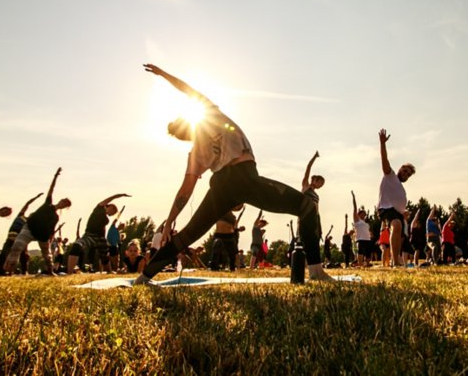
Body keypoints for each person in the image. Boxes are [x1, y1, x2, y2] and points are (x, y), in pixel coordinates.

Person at [134, 64, 332, 285]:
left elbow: (186, 189)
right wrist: (163, 74)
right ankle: (316, 272)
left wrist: (171, 221)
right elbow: (188, 90)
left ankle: (143, 278)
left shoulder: (197, 147)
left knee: (189, 234)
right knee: (306, 207)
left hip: (223, 186)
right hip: (244, 178)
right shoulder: (211, 116)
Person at [4, 168, 71, 275]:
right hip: (29, 228)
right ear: (60, 201)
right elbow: (51, 189)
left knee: (47, 255)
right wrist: (55, 176)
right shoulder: (48, 204)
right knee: (16, 247)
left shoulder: (55, 217)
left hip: (42, 235)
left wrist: (50, 239)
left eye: (65, 204)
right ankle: (10, 272)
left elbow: (51, 231)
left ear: (65, 207)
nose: (62, 203)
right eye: (63, 201)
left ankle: (50, 271)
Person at [377, 129, 416, 268]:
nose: (406, 174)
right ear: (399, 169)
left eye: (408, 174)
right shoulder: (391, 175)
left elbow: (397, 201)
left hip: (396, 212)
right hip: (385, 209)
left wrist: (402, 211)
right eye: (405, 171)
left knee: (399, 234)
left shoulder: (401, 188)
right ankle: (396, 261)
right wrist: (382, 144)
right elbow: (384, 160)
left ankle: (396, 259)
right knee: (396, 225)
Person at [67, 193, 130, 274]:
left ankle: (109, 271)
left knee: (105, 256)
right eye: (113, 212)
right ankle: (69, 272)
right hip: (89, 235)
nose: (113, 214)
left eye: (114, 214)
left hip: (101, 238)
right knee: (77, 245)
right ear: (109, 206)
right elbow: (108, 199)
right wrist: (119, 195)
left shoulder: (106, 217)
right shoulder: (99, 208)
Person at [0, 192, 43, 272]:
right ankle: (0, 270)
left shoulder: (30, 224)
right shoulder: (20, 216)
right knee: (4, 254)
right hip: (10, 239)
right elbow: (27, 204)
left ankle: (24, 271)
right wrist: (36, 197)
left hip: (20, 239)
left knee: (23, 256)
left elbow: (28, 235)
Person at [301, 151, 325, 239]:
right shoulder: (306, 185)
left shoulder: (316, 196)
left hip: (313, 220)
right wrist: (315, 157)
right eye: (321, 183)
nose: (321, 186)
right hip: (304, 218)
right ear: (315, 180)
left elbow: (317, 212)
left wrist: (319, 228)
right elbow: (308, 167)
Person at [351, 191, 372, 268]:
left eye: (365, 214)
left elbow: (367, 231)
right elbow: (355, 208)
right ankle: (360, 264)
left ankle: (367, 264)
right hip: (360, 239)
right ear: (359, 214)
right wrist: (354, 198)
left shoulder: (366, 223)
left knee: (368, 253)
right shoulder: (357, 220)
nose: (364, 214)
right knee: (360, 252)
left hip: (367, 239)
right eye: (362, 213)